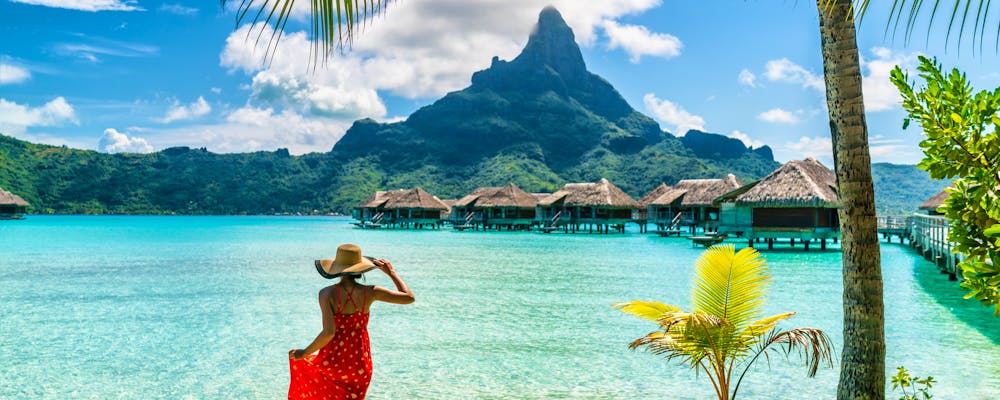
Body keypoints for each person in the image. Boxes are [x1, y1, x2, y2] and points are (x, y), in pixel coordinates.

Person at [288, 243, 414, 400]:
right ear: (360, 269)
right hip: (359, 365)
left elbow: (329, 333)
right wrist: (392, 273)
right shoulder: (371, 292)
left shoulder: (326, 294)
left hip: (332, 362)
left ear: (336, 269)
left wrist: (304, 353)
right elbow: (408, 297)